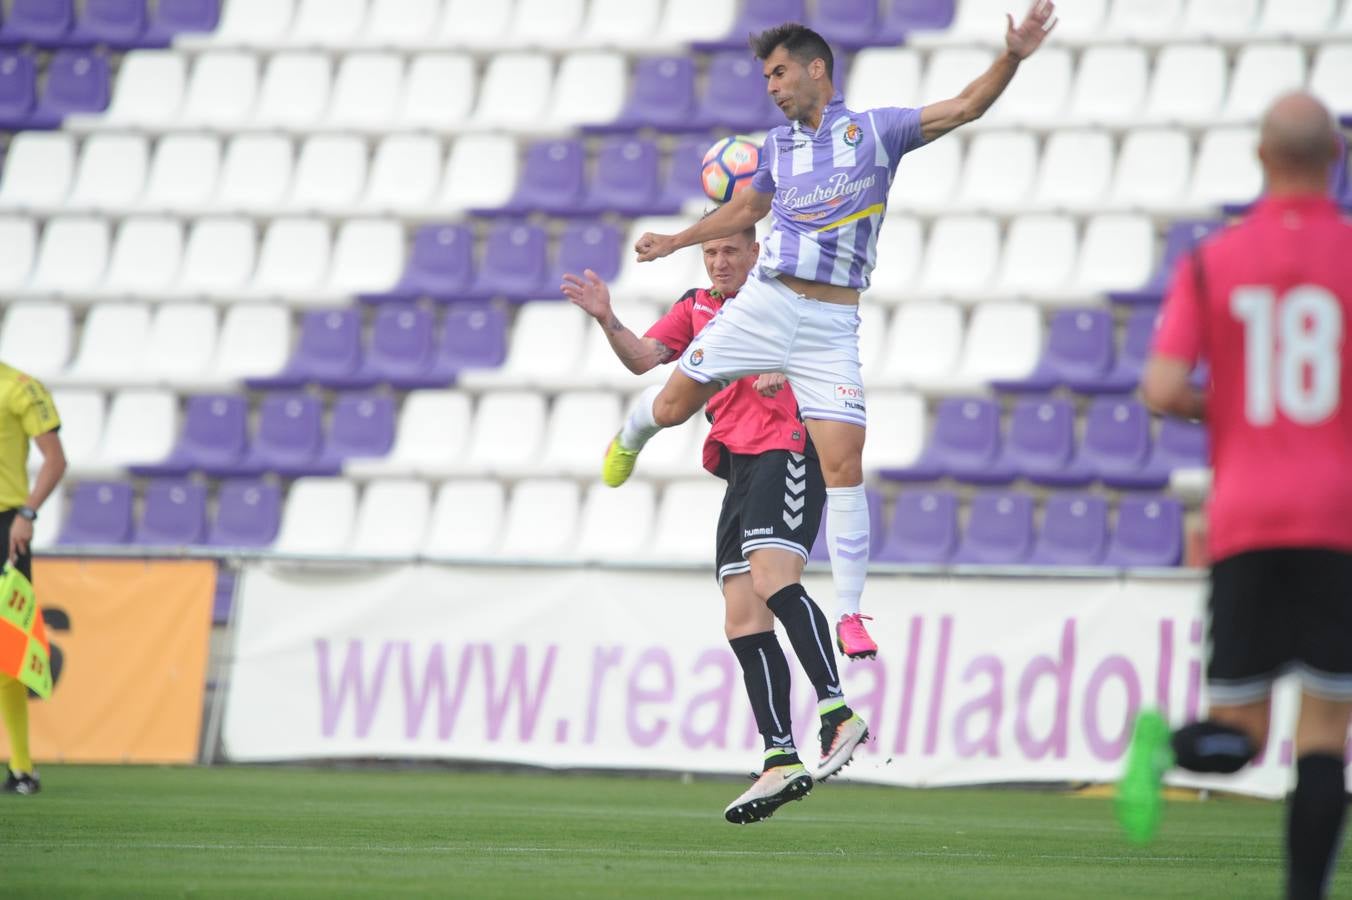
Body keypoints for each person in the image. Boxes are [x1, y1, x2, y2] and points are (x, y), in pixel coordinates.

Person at [600, 3, 1058, 660]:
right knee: (672, 406)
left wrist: (1011, 56)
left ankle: (850, 614)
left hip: (829, 327)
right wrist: (678, 240)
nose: (773, 86)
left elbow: (963, 107)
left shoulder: (876, 134)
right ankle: (629, 434)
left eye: (780, 73)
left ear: (818, 69)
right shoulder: (778, 147)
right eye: (767, 79)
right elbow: (746, 208)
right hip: (765, 304)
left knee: (843, 465)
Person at [1118, 92, 1352, 900]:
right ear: (1338, 160)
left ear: (1260, 158)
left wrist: (1230, 406)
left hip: (1247, 519)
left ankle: (1161, 748)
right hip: (1338, 519)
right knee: (1326, 730)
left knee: (1242, 737)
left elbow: (1159, 387)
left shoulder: (1214, 259)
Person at [563, 225, 868, 824]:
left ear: (756, 252)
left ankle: (838, 714)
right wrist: (607, 319)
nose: (720, 262)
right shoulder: (697, 308)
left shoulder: (783, 297)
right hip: (738, 467)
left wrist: (789, 365)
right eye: (711, 253)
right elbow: (643, 359)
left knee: (774, 580)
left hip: (788, 449)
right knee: (741, 616)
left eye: (731, 250)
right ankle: (780, 755)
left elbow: (826, 347)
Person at [0, 360, 66, 796]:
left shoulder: (20, 388)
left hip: (6, 526)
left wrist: (27, 513)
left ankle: (22, 768)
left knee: (7, 647)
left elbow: (55, 460)